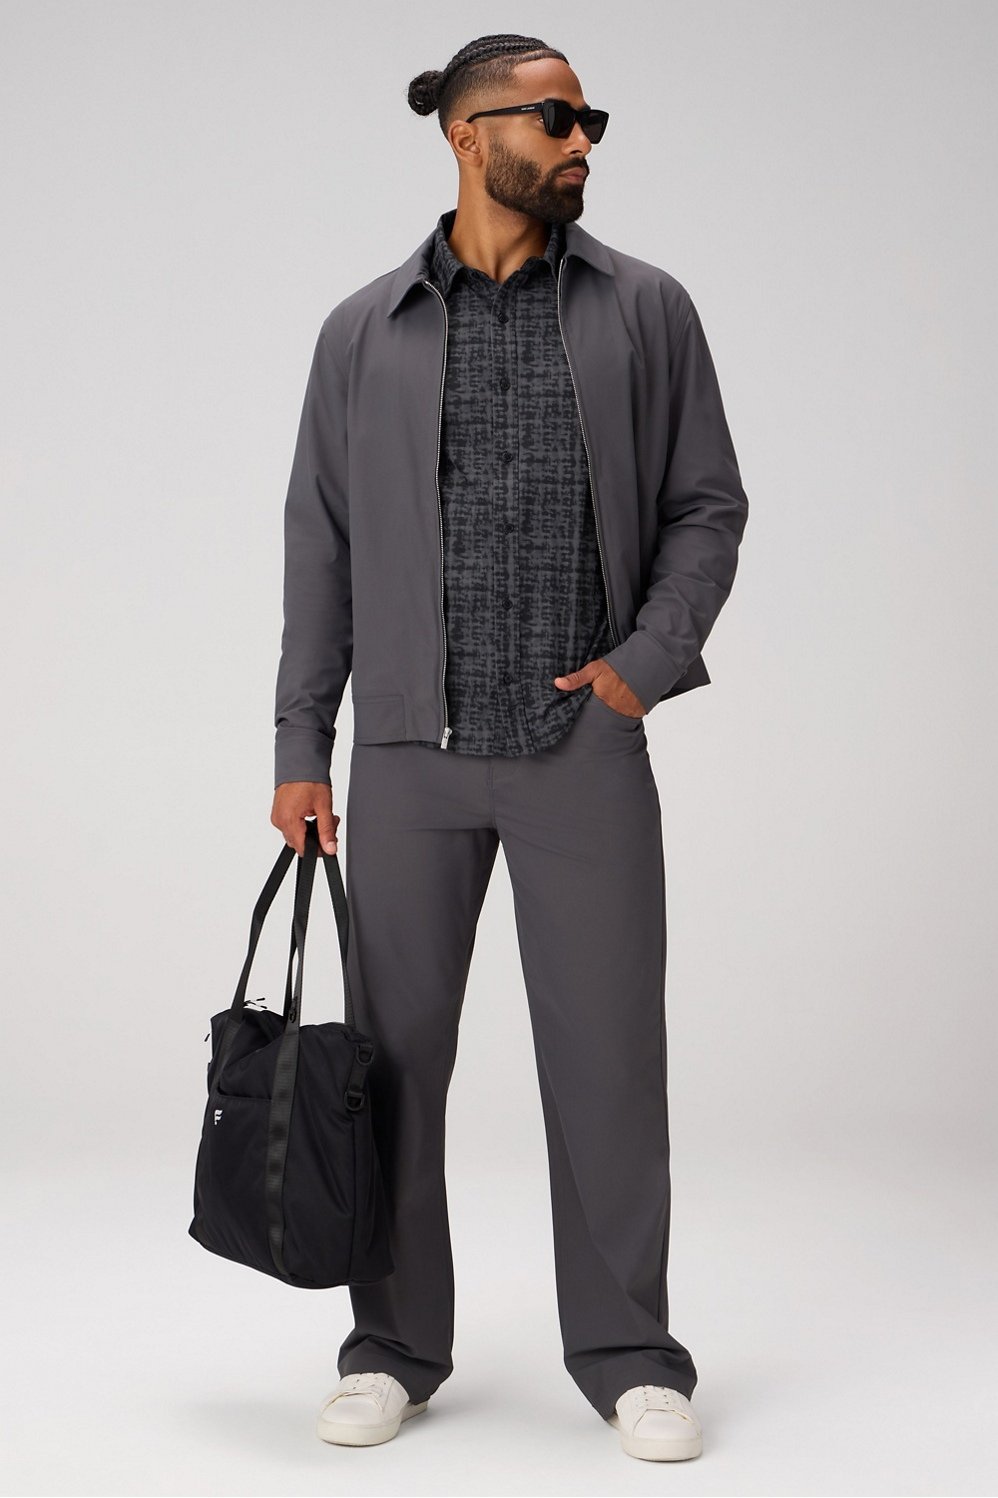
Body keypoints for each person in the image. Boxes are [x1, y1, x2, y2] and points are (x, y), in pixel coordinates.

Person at [269, 31, 748, 1464]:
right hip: (407, 756)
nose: (581, 140)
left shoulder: (644, 307)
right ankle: (390, 1345)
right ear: (468, 134)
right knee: (391, 1067)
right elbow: (320, 543)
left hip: (579, 748)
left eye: (591, 119)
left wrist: (639, 673)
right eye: (555, 119)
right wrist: (302, 741)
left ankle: (630, 1354)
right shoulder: (363, 330)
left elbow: (707, 505)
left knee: (609, 1065)